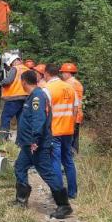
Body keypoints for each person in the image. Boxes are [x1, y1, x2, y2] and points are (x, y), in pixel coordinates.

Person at [13, 69, 73, 219]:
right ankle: (21, 199)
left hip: (36, 144)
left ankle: (64, 205)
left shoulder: (37, 97)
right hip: (28, 144)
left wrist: (35, 140)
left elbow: (38, 120)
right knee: (20, 167)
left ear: (24, 82)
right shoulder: (33, 96)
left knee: (47, 173)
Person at [43, 63, 79, 199]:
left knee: (55, 162)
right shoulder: (70, 88)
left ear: (46, 73)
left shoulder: (48, 89)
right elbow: (75, 109)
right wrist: (71, 125)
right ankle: (72, 192)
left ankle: (58, 193)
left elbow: (45, 112)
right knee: (68, 161)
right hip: (68, 130)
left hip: (55, 131)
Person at [0, 55, 30, 140]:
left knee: (5, 117)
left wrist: (2, 82)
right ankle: (20, 141)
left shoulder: (15, 68)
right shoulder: (27, 69)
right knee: (20, 120)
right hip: (25, 98)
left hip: (14, 98)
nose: (12, 66)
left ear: (15, 61)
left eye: (12, 63)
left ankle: (2, 138)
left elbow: (9, 81)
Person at [60, 63, 85, 153]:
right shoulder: (78, 83)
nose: (62, 74)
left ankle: (69, 155)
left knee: (69, 136)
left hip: (71, 113)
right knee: (75, 137)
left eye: (63, 72)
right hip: (78, 113)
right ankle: (74, 153)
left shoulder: (68, 84)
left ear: (68, 73)